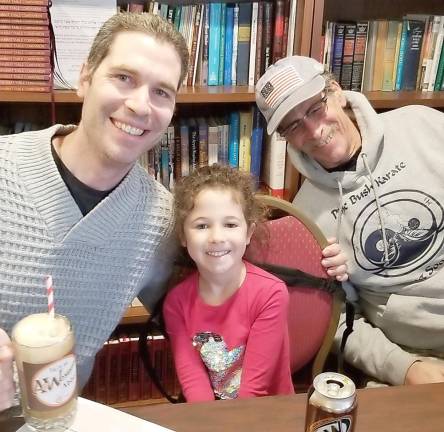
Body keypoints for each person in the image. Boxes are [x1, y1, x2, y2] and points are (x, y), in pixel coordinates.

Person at [0, 12, 189, 410]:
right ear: (85, 78)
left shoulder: (161, 221)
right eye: (124, 78)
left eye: (162, 92)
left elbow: (194, 312)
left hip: (57, 417)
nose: (140, 106)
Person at [255, 55, 444, 386]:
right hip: (417, 357)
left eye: (315, 108)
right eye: (294, 125)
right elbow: (336, 319)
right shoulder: (305, 219)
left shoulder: (425, 126)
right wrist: (406, 368)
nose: (314, 130)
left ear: (337, 92)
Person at [163, 164, 348, 402]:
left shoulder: (270, 293)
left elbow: (255, 390)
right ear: (183, 236)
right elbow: (193, 381)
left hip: (266, 412)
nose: (217, 237)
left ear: (249, 233)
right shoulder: (176, 303)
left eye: (230, 224)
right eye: (201, 226)